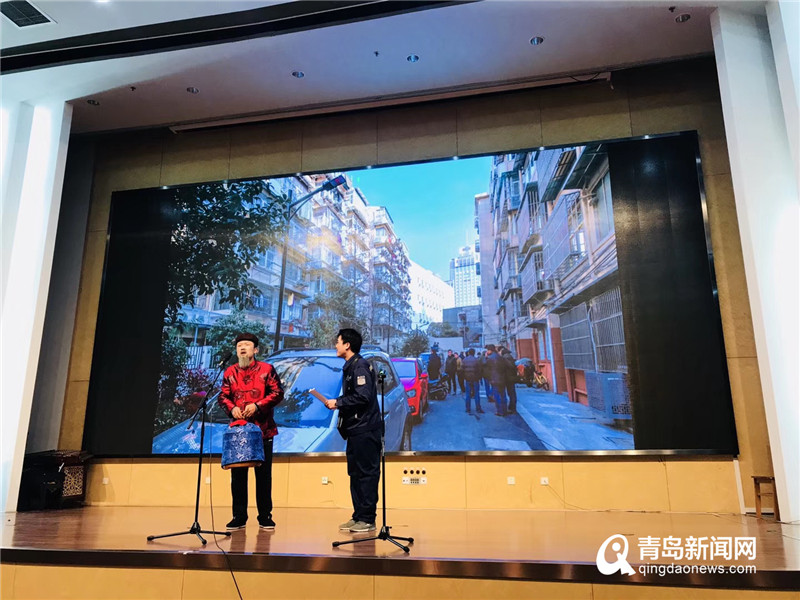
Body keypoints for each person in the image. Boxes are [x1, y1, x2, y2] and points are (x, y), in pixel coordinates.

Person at [217, 333, 284, 530]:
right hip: (238, 431)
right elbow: (223, 396)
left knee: (263, 475)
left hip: (263, 430)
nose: (242, 348)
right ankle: (239, 516)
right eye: (239, 345)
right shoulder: (230, 372)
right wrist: (232, 408)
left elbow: (277, 393)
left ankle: (265, 516)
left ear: (255, 350)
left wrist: (257, 406)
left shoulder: (267, 369)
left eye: (246, 345)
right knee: (238, 475)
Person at [319, 328, 381, 534]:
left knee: (366, 474)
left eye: (338, 342)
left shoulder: (360, 366)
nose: (335, 345)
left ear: (347, 345)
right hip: (355, 429)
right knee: (355, 474)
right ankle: (358, 516)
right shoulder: (351, 366)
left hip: (365, 429)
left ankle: (368, 519)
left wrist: (338, 402)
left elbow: (363, 396)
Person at [484, 344, 508, 416]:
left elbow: (487, 370)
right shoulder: (501, 357)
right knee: (503, 395)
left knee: (497, 395)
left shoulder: (490, 359)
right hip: (502, 378)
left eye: (488, 350)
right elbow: (505, 368)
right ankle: (504, 410)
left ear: (490, 350)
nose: (487, 352)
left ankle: (499, 411)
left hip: (494, 379)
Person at [461, 349, 483, 414]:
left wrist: (464, 377)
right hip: (475, 379)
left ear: (468, 353)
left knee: (468, 394)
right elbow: (480, 370)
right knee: (476, 394)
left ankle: (468, 408)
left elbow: (462, 370)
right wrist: (479, 378)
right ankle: (478, 408)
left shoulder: (464, 360)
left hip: (468, 379)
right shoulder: (476, 360)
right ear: (474, 353)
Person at [501, 347, 518, 413]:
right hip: (512, 377)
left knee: (510, 393)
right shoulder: (511, 358)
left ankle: (512, 408)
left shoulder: (505, 359)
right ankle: (512, 407)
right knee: (512, 393)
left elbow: (504, 368)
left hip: (507, 377)